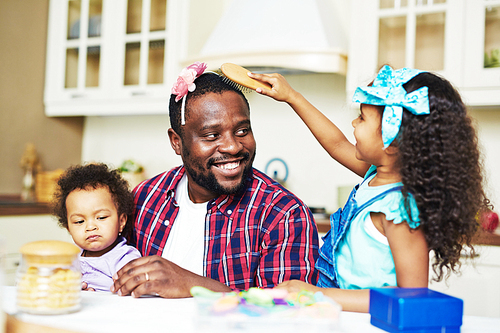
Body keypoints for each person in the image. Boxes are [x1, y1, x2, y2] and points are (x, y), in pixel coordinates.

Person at [248, 65, 488, 312]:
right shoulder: (376, 174)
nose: (354, 122)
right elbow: (337, 143)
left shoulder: (399, 210)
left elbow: (412, 297)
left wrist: (318, 294)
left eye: (362, 117)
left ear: (392, 141)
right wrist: (291, 96)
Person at [111, 62, 319, 298]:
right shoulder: (145, 197)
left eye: (242, 131)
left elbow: (287, 315)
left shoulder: (284, 214)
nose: (232, 146)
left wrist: (192, 285)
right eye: (211, 136)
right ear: (176, 142)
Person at [53, 163, 142, 292]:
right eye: (79, 221)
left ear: (121, 221)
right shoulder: (70, 257)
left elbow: (135, 296)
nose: (90, 227)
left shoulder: (124, 259)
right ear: (68, 229)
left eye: (101, 218)